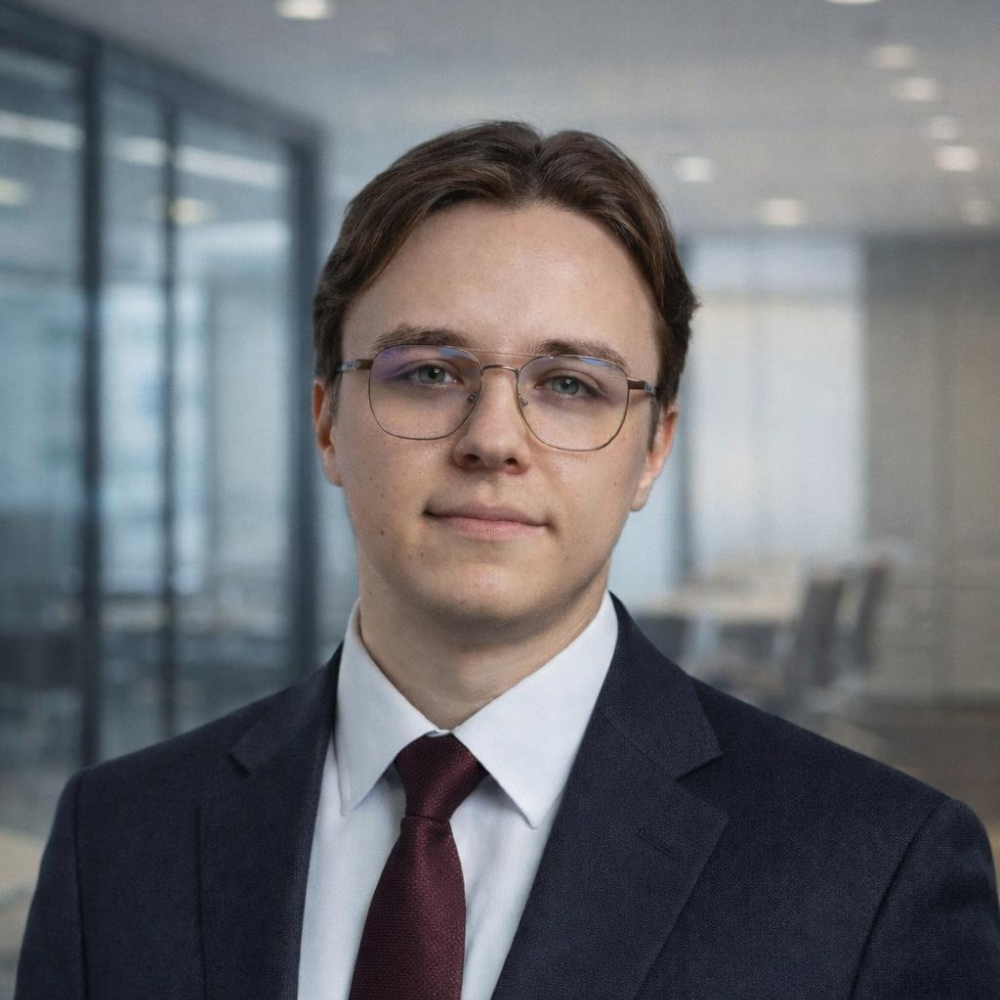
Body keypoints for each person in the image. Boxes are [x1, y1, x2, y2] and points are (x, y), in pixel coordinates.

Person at [16, 121, 1000, 1000]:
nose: (494, 438)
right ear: (325, 420)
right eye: (429, 373)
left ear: (651, 449)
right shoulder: (118, 836)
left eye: (570, 384)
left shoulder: (877, 869)